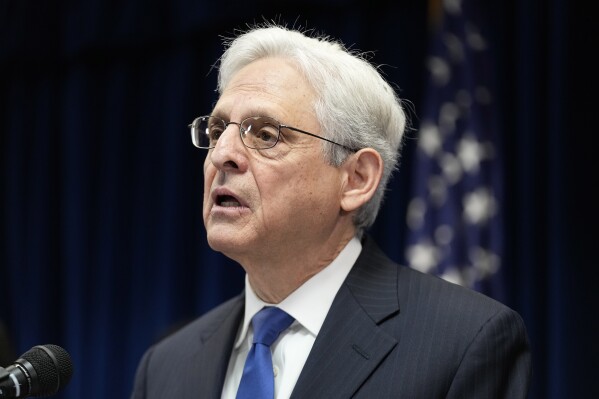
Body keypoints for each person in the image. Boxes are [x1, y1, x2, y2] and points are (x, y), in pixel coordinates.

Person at [130, 22, 531, 398]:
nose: (222, 155)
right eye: (218, 131)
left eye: (265, 134)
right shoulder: (166, 366)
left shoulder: (464, 341)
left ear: (356, 178)